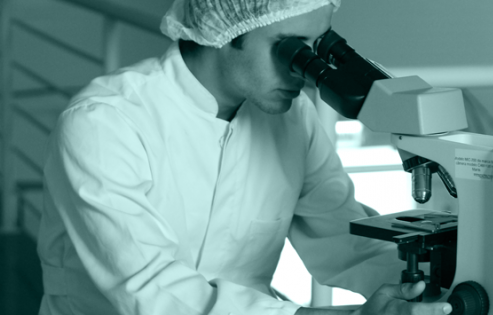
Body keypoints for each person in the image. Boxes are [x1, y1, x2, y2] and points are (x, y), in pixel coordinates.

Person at [37, 0, 453, 314]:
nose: (302, 72)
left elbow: (345, 241)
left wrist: (422, 293)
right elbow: (150, 289)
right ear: (227, 32)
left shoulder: (294, 122)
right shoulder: (105, 124)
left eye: (318, 47)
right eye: (290, 49)